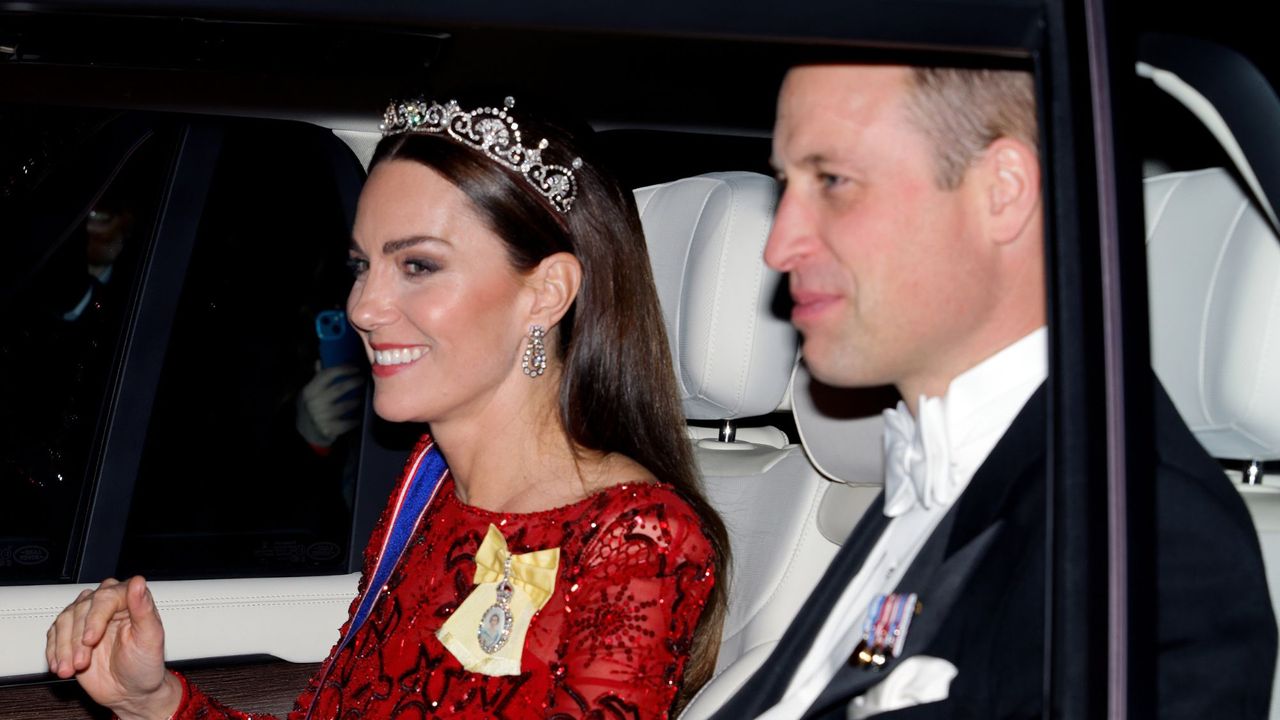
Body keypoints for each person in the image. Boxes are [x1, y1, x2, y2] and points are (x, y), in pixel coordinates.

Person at [45, 95, 729, 720]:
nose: (363, 307)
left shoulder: (636, 539)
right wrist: (154, 701)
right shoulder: (428, 491)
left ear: (546, 293)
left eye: (418, 265)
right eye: (360, 266)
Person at [705, 65, 1276, 719]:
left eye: (833, 181)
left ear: (1002, 192)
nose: (779, 246)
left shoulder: (1149, 542)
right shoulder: (934, 476)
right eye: (785, 186)